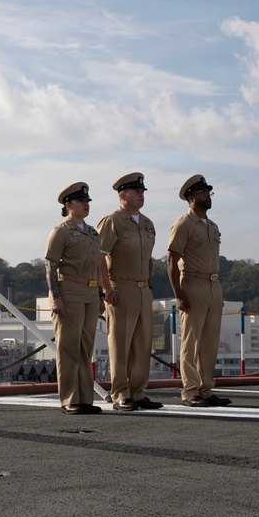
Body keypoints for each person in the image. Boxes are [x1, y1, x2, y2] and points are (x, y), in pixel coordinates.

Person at [97, 172, 162, 411]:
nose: (141, 195)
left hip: (143, 288)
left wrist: (150, 287)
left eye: (143, 191)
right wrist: (106, 290)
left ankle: (138, 392)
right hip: (120, 287)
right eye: (136, 192)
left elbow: (149, 259)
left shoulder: (147, 223)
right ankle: (121, 394)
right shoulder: (112, 221)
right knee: (121, 343)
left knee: (143, 344)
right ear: (123, 196)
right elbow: (99, 258)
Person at [166, 174, 232, 407]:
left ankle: (205, 388)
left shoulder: (212, 226)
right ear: (192, 197)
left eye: (209, 193)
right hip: (193, 284)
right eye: (204, 193)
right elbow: (172, 260)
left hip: (214, 286)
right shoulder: (183, 224)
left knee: (210, 341)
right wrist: (178, 294)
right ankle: (190, 390)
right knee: (191, 341)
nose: (208, 196)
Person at [45, 182, 103, 415]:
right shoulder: (60, 231)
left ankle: (85, 399)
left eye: (88, 201)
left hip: (89, 292)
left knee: (85, 348)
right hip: (69, 289)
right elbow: (50, 265)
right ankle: (69, 398)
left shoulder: (92, 233)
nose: (86, 205)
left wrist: (99, 295)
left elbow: (98, 265)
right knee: (69, 347)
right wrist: (56, 298)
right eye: (81, 201)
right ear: (68, 205)